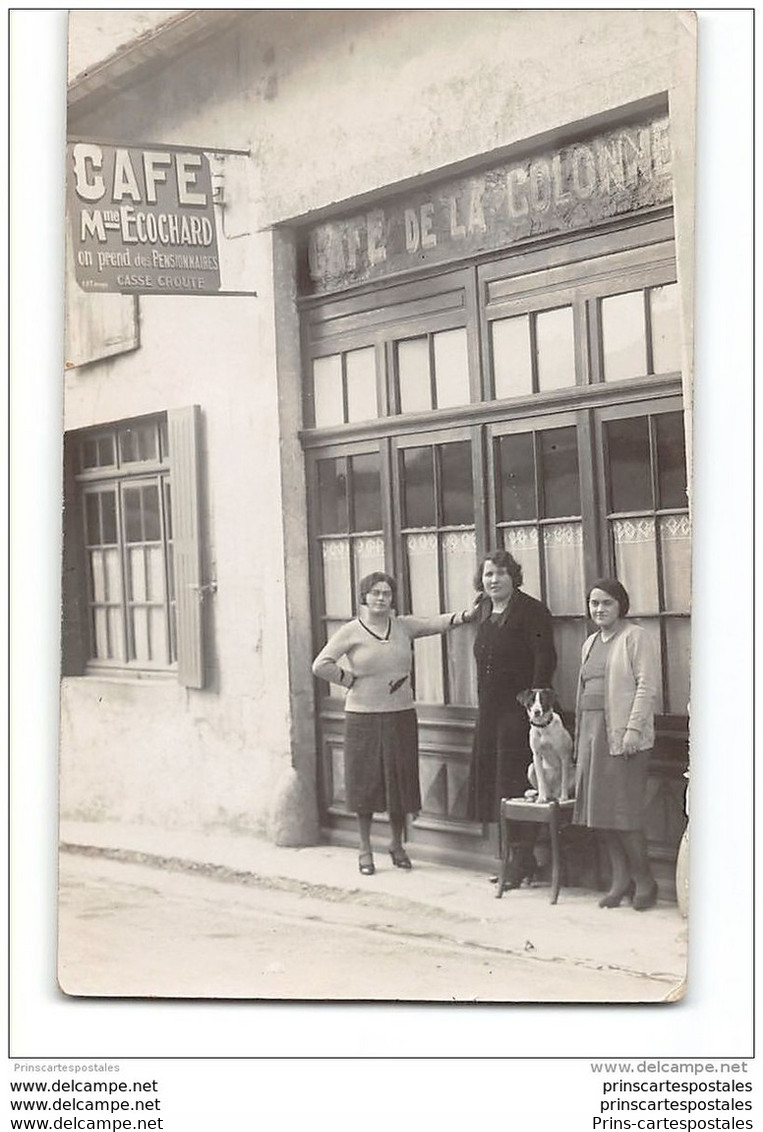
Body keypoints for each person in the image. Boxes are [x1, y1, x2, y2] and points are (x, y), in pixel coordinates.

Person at [312, 571, 476, 876]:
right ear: (364, 597)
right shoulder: (351, 631)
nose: (381, 599)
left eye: (386, 594)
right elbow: (321, 664)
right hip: (362, 719)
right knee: (365, 784)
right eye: (375, 593)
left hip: (400, 714)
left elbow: (434, 623)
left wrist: (466, 615)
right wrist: (349, 680)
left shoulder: (402, 627)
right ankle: (364, 848)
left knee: (399, 782)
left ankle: (397, 844)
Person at [467, 549, 557, 887]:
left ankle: (520, 860)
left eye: (501, 574)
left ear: (513, 577)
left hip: (519, 712)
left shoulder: (531, 611)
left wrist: (534, 709)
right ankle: (515, 858)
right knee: (496, 785)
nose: (494, 580)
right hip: (489, 711)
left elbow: (544, 658)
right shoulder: (485, 610)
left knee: (517, 783)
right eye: (488, 574)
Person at [573, 578, 659, 911]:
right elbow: (582, 695)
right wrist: (580, 741)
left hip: (624, 738)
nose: (599, 609)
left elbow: (646, 687)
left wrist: (633, 731)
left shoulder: (635, 637)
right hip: (593, 736)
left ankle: (645, 880)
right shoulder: (590, 642)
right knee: (601, 816)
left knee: (624, 816)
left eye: (606, 603)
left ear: (621, 604)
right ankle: (620, 880)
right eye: (594, 603)